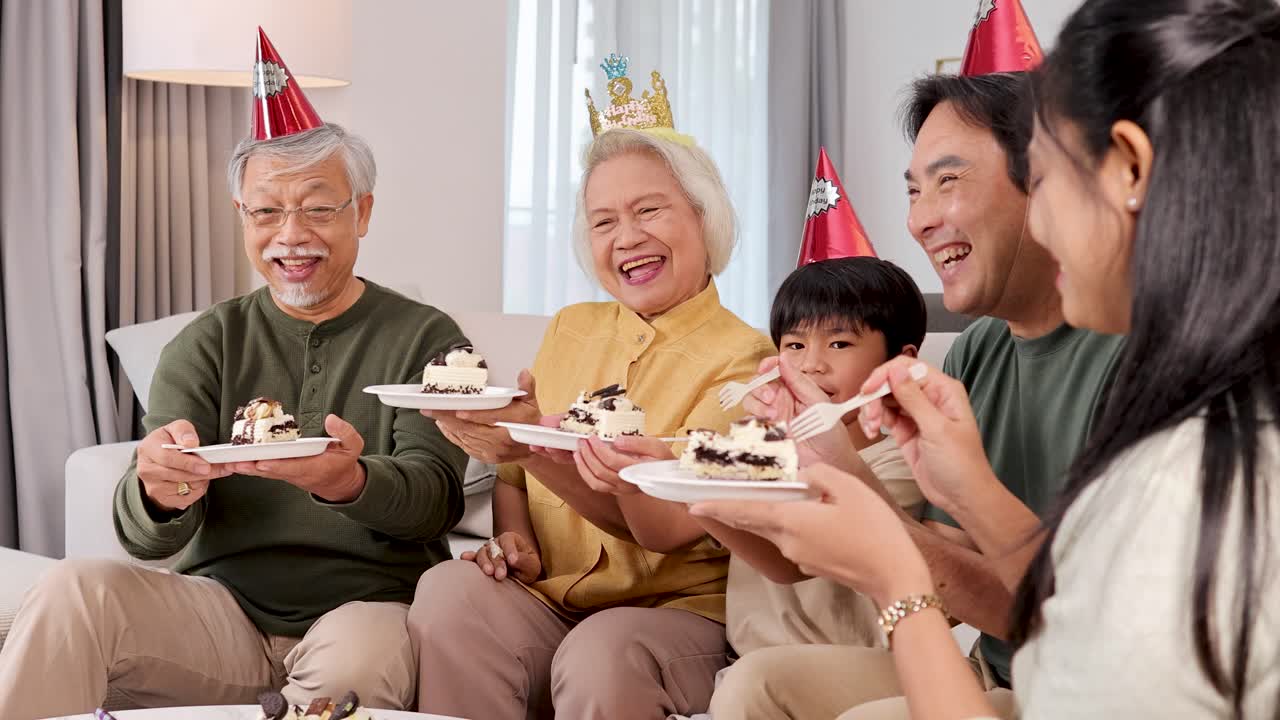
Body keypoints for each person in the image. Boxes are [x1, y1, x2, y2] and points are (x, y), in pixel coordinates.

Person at [695, 0, 1280, 716]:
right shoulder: (983, 356)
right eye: (914, 190)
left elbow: (1057, 619)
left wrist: (897, 582)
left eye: (1044, 175)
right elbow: (1063, 589)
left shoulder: (1182, 460)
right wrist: (945, 487)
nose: (918, 220)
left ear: (1129, 168)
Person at [0, 101, 470, 716]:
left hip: (366, 610)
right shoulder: (206, 342)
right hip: (221, 615)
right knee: (72, 591)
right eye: (267, 210)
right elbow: (144, 538)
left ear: (363, 211)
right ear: (241, 217)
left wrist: (350, 481)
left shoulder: (427, 339)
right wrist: (158, 490)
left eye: (319, 208)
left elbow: (435, 503)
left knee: (353, 671)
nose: (291, 234)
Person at [409, 58, 775, 720]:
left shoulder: (746, 361)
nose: (627, 237)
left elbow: (665, 529)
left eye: (649, 210)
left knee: (601, 651)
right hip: (552, 599)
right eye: (603, 221)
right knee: (447, 591)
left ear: (703, 215)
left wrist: (527, 448)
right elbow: (516, 481)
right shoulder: (571, 328)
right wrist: (512, 537)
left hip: (676, 617)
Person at [681, 257, 927, 718]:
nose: (811, 364)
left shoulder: (902, 459)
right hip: (746, 663)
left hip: (853, 672)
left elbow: (797, 556)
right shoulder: (762, 442)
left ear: (899, 363)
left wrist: (702, 486)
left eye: (839, 342)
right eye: (794, 344)